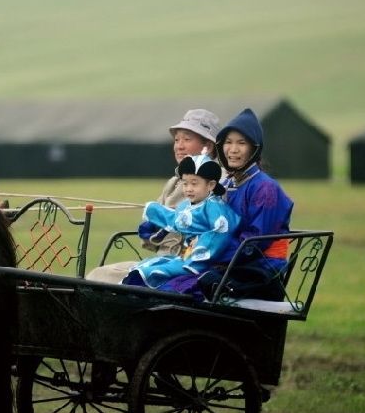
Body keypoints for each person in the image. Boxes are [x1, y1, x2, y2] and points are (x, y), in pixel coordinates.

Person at [85, 108, 220, 283]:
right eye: (177, 139)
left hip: (185, 266)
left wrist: (169, 222)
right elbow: (152, 240)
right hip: (161, 261)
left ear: (207, 146)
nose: (179, 146)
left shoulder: (216, 181)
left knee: (100, 277)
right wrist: (150, 231)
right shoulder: (174, 182)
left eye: (187, 139)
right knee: (98, 273)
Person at [195, 108, 295, 301]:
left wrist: (210, 252)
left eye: (241, 143)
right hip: (233, 264)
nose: (233, 150)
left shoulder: (266, 188)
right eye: (228, 142)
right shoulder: (226, 184)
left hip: (260, 271)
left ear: (254, 148)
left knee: (195, 283)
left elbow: (254, 244)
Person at [122, 154, 239, 290]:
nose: (188, 188)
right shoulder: (186, 205)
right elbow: (176, 220)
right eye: (185, 183)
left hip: (202, 260)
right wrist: (153, 209)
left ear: (211, 185)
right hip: (185, 255)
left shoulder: (215, 206)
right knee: (146, 265)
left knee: (157, 271)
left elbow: (220, 231)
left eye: (194, 183)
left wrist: (200, 243)